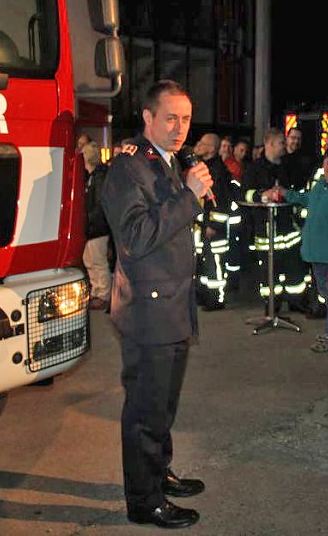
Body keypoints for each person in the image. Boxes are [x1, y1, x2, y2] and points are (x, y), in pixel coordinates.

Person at [102, 80, 214, 529]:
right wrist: (188, 196)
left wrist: (193, 192)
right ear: (147, 118)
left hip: (174, 304)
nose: (179, 127)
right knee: (145, 411)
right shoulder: (127, 168)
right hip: (149, 311)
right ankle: (144, 500)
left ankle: (159, 473)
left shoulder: (169, 162)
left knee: (164, 403)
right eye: (170, 118)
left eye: (185, 119)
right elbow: (136, 236)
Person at [273, 147, 328, 351]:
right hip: (318, 250)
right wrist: (286, 194)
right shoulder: (321, 185)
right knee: (327, 292)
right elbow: (307, 199)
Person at [241, 128, 306, 311]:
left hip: (289, 227)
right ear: (269, 144)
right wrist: (263, 195)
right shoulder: (254, 168)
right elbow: (245, 193)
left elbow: (300, 191)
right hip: (266, 228)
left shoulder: (290, 166)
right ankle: (271, 306)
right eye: (281, 143)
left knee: (294, 268)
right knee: (269, 271)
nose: (285, 146)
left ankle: (296, 301)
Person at [192, 133, 234, 310]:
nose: (198, 145)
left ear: (211, 148)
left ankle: (216, 299)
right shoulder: (206, 167)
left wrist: (213, 225)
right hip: (202, 226)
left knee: (214, 264)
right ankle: (204, 294)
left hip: (212, 228)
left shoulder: (217, 171)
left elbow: (221, 201)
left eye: (202, 143)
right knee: (204, 264)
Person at [82, 141, 111, 311]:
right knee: (90, 259)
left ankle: (103, 294)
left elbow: (99, 204)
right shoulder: (93, 176)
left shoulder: (99, 177)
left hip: (97, 227)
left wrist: (89, 219)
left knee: (98, 261)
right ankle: (96, 290)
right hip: (94, 226)